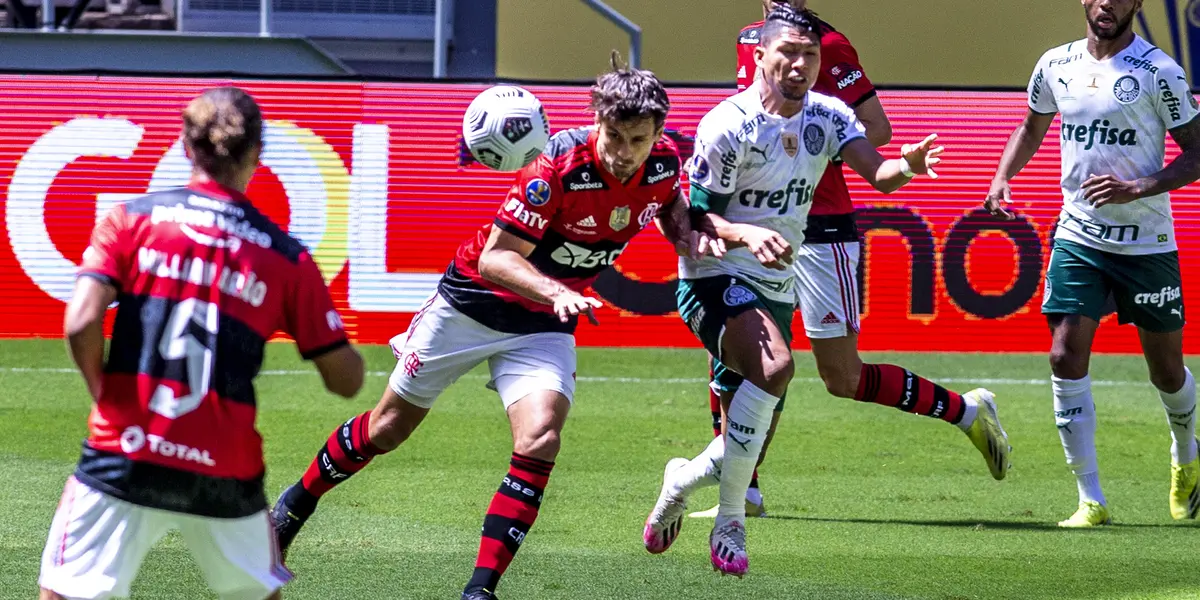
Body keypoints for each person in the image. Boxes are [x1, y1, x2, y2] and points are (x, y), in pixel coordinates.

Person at [269, 56, 702, 600]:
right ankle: (289, 509)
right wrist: (559, 290)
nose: (621, 151)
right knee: (387, 429)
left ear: (658, 133)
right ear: (597, 122)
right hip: (473, 305)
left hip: (543, 323)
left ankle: (480, 591)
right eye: (612, 135)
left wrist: (690, 232)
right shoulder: (557, 166)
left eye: (635, 139)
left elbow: (666, 204)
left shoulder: (662, 164)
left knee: (541, 437)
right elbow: (497, 258)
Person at [642, 5, 1000, 577]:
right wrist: (748, 232)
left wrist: (905, 165)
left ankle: (681, 480)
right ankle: (731, 519)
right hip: (714, 277)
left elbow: (876, 171)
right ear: (758, 55)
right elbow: (697, 224)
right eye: (787, 52)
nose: (800, 63)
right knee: (777, 371)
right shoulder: (725, 126)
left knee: (761, 403)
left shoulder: (830, 116)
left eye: (809, 55)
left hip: (777, 278)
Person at [37, 86, 366, 600]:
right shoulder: (286, 258)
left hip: (126, 448)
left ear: (186, 147)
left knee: (66, 593)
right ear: (257, 154)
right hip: (225, 464)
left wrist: (105, 396)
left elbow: (80, 322)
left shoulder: (129, 220)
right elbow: (346, 381)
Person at [986, 0, 1200, 527]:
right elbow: (1031, 127)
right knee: (1063, 354)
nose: (1108, 3)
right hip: (1079, 236)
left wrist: (1140, 187)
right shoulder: (1055, 64)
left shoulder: (1160, 72)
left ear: (1137, 4)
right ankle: (1091, 499)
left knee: (1166, 371)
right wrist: (1002, 175)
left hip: (1147, 244)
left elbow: (1198, 153)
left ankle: (1186, 453)